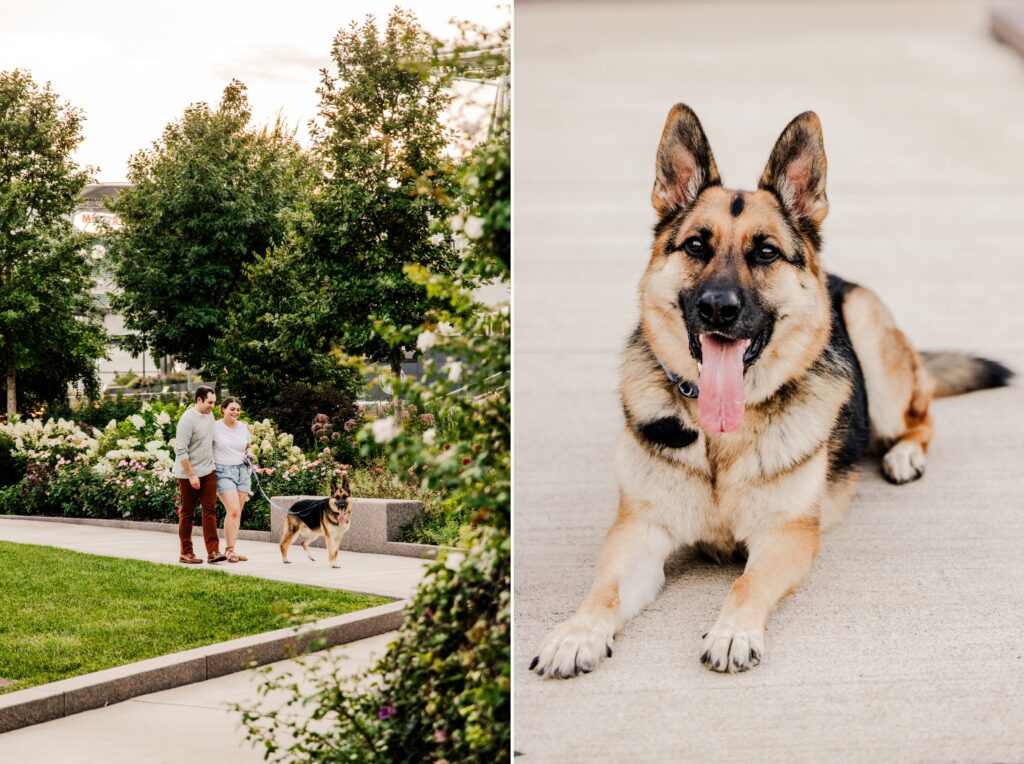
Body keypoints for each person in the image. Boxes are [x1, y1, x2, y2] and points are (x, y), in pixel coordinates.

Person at [174, 386, 226, 564]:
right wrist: (191, 475)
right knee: (187, 512)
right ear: (199, 400)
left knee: (210, 510)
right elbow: (180, 449)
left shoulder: (209, 415)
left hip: (208, 470)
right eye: (210, 402)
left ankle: (213, 552)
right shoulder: (187, 419)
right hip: (188, 474)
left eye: (214, 402)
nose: (213, 406)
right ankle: (185, 553)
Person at [213, 396, 254, 563]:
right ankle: (230, 551)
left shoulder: (243, 427)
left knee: (237, 513)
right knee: (233, 510)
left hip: (242, 471)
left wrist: (249, 454)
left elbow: (248, 446)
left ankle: (232, 549)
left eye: (238, 409)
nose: (235, 412)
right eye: (232, 409)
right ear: (223, 409)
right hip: (223, 471)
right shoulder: (214, 427)